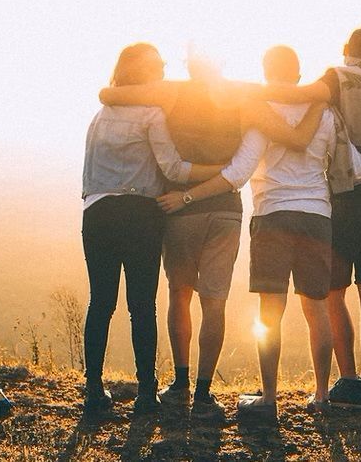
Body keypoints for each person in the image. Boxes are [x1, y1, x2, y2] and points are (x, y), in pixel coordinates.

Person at [157, 45, 361, 418]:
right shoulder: (326, 115)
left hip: (272, 217)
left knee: (270, 313)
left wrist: (187, 196)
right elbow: (357, 168)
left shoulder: (261, 113)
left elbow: (238, 173)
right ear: (298, 76)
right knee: (317, 310)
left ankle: (269, 399)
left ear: (266, 72)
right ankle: (323, 395)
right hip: (317, 219)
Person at [98, 52, 324, 419]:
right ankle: (204, 393)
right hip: (225, 210)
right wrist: (319, 93)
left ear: (188, 65)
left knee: (179, 294)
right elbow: (293, 127)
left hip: (180, 208)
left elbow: (110, 95)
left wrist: (108, 94)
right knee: (214, 301)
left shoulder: (170, 93)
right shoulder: (241, 95)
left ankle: (181, 383)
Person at [258, 26, 361, 409]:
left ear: (346, 49)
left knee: (333, 292)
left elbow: (300, 96)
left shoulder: (338, 76)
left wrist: (250, 94)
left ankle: (345, 378)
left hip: (347, 195)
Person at [81, 43, 223, 416]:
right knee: (141, 306)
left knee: (101, 303)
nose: (162, 71)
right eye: (158, 66)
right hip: (140, 214)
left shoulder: (100, 115)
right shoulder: (152, 114)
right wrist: (219, 171)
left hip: (96, 212)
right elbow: (174, 170)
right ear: (144, 73)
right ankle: (146, 393)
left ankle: (93, 391)